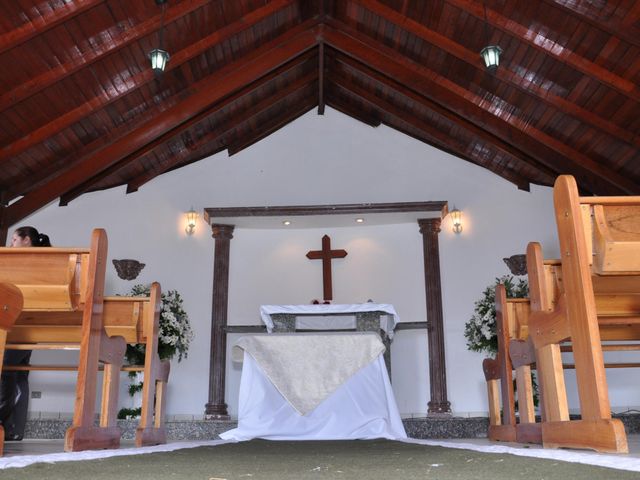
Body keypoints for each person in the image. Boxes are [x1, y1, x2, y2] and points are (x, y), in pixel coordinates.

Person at [0, 226, 51, 441]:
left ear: (26, 240)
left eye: (14, 240)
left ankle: (5, 425)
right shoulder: (41, 262)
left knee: (8, 372)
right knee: (17, 373)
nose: (11, 244)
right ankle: (13, 429)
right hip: (23, 324)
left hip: (21, 324)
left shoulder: (27, 262)